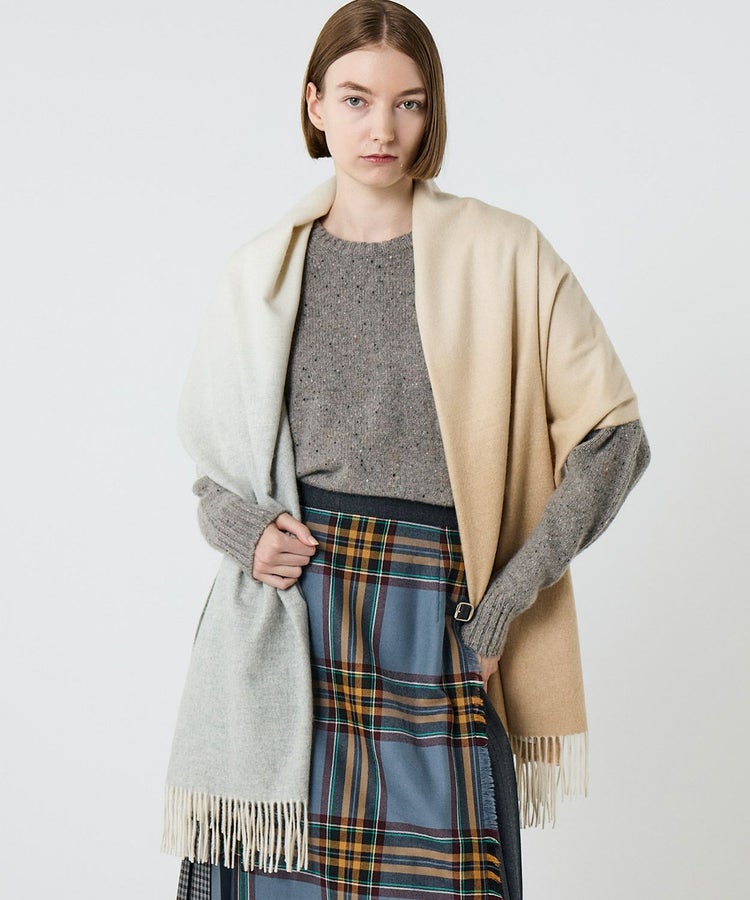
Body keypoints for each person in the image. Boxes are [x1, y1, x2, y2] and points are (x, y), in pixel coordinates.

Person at [162, 2, 650, 899]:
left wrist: (502, 607)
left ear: (433, 112)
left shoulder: (506, 253)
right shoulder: (262, 271)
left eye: (408, 103)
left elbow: (614, 441)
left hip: (435, 618)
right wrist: (244, 533)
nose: (381, 129)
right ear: (314, 104)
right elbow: (214, 474)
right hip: (289, 633)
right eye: (355, 99)